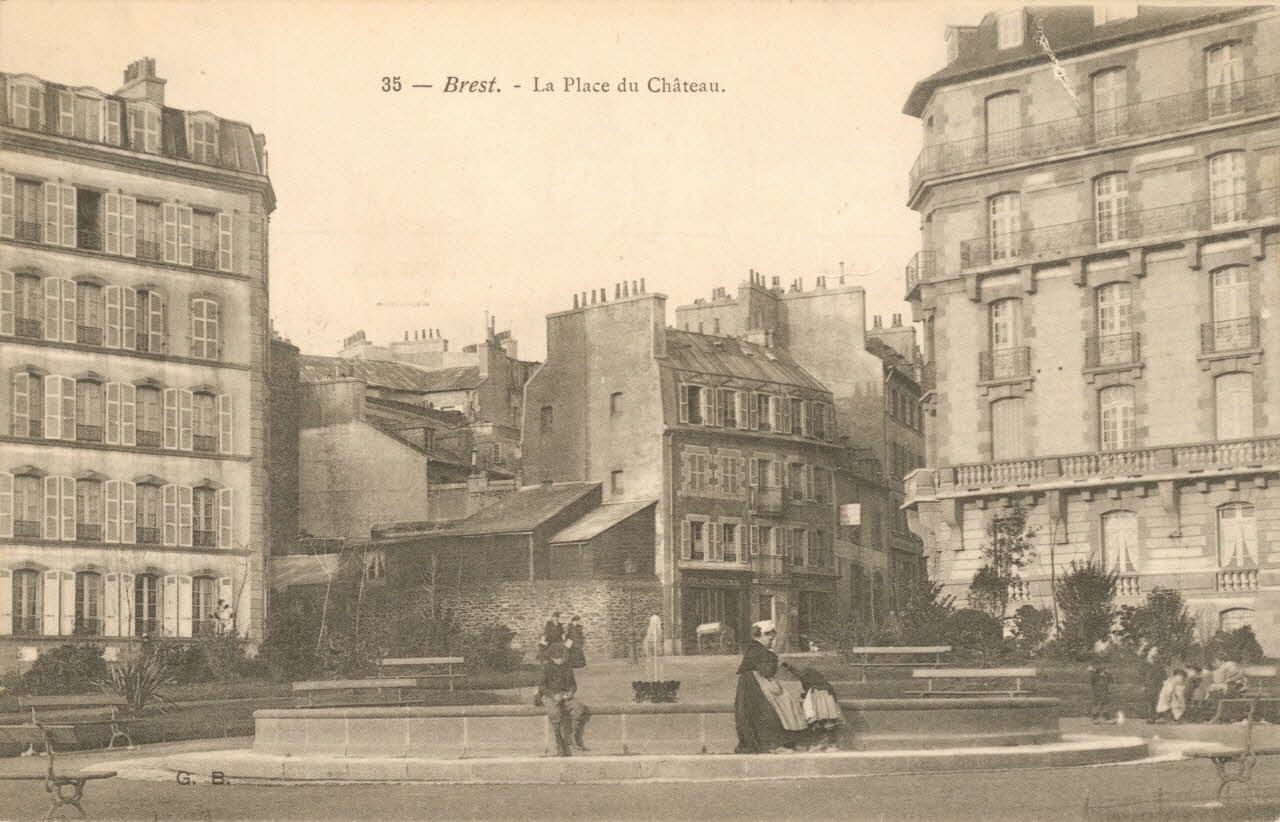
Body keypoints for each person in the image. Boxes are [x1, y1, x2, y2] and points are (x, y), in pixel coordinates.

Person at [734, 620, 807, 754]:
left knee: (774, 709)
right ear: (760, 635)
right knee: (769, 711)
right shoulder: (758, 650)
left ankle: (775, 743)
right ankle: (772, 745)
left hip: (755, 682)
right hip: (755, 685)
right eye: (769, 637)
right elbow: (767, 671)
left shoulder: (755, 649)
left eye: (772, 637)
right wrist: (773, 659)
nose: (771, 640)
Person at [536, 641, 589, 756]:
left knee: (579, 707)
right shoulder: (546, 668)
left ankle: (572, 739)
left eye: (561, 657)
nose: (559, 660)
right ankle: (559, 742)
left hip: (565, 696)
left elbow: (573, 685)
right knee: (555, 713)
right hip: (550, 696)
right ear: (551, 657)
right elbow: (541, 686)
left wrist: (569, 693)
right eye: (556, 658)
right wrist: (553, 695)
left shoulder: (567, 667)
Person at [786, 663, 844, 751]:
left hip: (821, 707)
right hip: (822, 706)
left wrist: (789, 667)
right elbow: (800, 675)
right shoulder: (822, 687)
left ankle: (831, 744)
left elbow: (800, 675)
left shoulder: (818, 690)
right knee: (823, 723)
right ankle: (826, 743)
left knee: (823, 723)